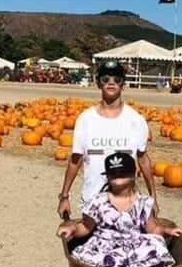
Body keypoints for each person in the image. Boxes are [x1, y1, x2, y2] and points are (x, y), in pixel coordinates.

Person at [57, 59, 158, 220]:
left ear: (123, 85)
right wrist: (64, 197)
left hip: (127, 203)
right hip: (92, 203)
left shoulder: (136, 120)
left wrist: (153, 197)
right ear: (98, 84)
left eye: (117, 79)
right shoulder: (85, 119)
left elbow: (143, 159)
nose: (111, 83)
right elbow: (76, 160)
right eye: (105, 79)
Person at [57, 151, 181, 267]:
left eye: (123, 173)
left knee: (157, 242)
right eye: (113, 173)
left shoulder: (142, 202)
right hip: (105, 247)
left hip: (134, 245)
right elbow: (85, 227)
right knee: (108, 258)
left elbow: (153, 229)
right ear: (107, 177)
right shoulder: (98, 202)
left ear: (133, 175)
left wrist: (166, 230)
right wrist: (72, 228)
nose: (118, 175)